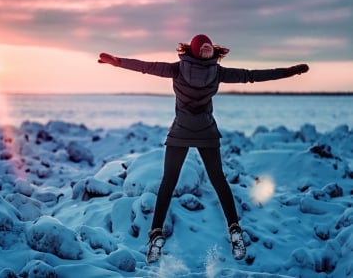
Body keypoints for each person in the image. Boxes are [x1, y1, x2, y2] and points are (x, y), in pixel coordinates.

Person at [98, 34, 309, 263]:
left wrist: (118, 62)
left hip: (180, 131)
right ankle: (234, 229)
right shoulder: (217, 72)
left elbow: (147, 67)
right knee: (218, 180)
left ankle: (156, 235)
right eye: (207, 48)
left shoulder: (178, 69)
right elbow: (252, 76)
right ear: (203, 51)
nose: (208, 51)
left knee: (169, 182)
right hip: (206, 131)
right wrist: (289, 71)